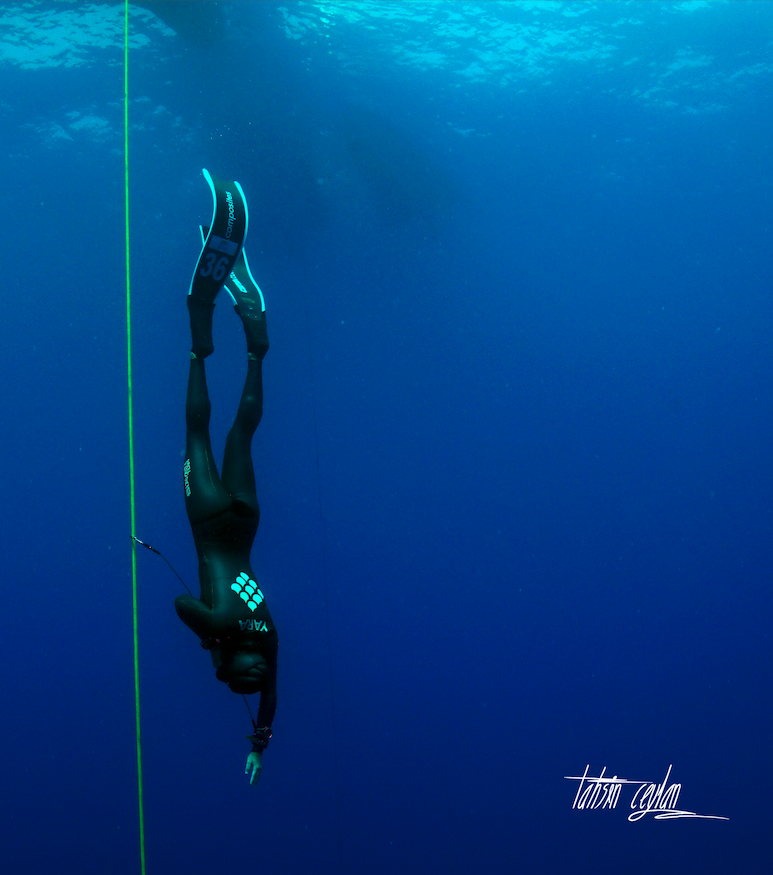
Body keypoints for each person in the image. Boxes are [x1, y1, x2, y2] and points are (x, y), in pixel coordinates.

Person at [174, 169, 277, 786]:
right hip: (210, 519)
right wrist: (210, 640)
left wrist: (261, 743)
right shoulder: (223, 631)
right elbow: (183, 601)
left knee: (242, 432)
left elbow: (271, 697)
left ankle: (257, 343)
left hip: (246, 520)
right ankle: (198, 338)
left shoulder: (269, 641)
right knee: (196, 434)